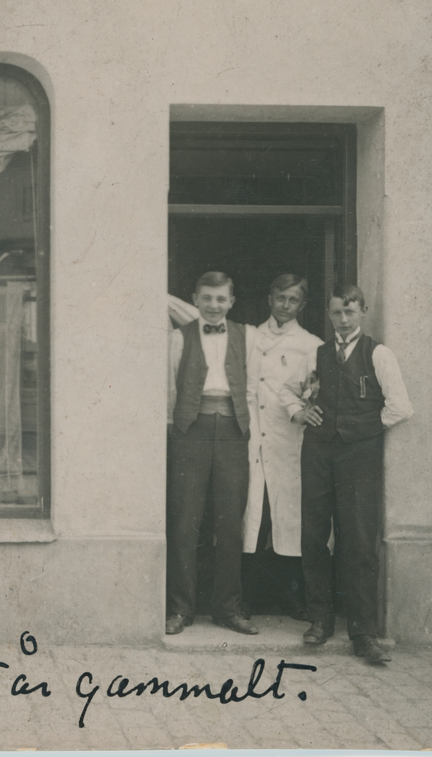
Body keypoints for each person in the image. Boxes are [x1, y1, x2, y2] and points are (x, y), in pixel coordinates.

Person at [281, 284, 413, 664]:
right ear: (328, 313)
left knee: (358, 539)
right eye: (337, 312)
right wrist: (299, 412)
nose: (343, 319)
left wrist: (360, 429)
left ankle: (363, 633)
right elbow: (287, 390)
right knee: (314, 535)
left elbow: (401, 407)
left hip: (359, 455)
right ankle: (320, 620)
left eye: (350, 312)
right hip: (318, 453)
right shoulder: (316, 353)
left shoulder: (378, 353)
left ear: (363, 312)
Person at [166, 271, 257, 636]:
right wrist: (175, 431)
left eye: (221, 299)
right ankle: (180, 609)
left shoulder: (247, 336)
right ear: (195, 300)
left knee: (230, 524)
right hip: (192, 430)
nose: (214, 305)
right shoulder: (178, 338)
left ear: (231, 302)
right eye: (206, 298)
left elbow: (253, 387)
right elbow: (169, 391)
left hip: (233, 431)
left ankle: (228, 609)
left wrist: (246, 430)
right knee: (184, 522)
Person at [241, 275, 323, 619]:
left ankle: (290, 596)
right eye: (280, 298)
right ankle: (245, 597)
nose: (285, 305)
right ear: (269, 298)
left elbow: (315, 392)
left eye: (293, 300)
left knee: (288, 519)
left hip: (288, 442)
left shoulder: (311, 344)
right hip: (252, 439)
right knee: (253, 517)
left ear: (302, 305)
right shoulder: (250, 336)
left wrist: (304, 408)